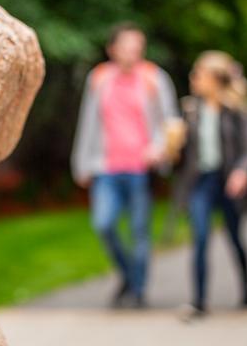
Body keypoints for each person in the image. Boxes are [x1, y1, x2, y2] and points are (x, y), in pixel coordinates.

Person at [71, 23, 180, 308]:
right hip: (106, 167)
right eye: (128, 46)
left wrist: (158, 150)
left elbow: (170, 123)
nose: (134, 52)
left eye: (138, 46)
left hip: (140, 169)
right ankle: (129, 274)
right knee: (103, 223)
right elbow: (88, 123)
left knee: (139, 230)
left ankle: (138, 289)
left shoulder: (154, 77)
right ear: (113, 49)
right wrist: (81, 163)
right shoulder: (100, 78)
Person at [175, 50, 247, 318]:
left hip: (227, 181)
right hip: (201, 181)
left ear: (214, 79)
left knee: (235, 238)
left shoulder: (236, 110)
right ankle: (199, 301)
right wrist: (171, 149)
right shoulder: (191, 110)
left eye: (198, 74)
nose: (193, 79)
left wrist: (242, 172)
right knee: (199, 238)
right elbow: (183, 155)